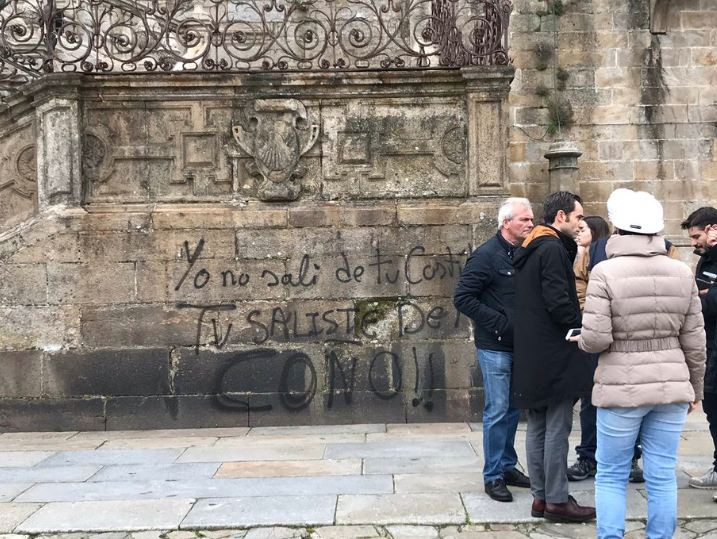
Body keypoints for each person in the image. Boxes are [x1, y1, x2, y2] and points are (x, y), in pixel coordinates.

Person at [577, 188, 705, 538]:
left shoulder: (604, 273)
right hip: (672, 384)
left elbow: (598, 339)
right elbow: (695, 341)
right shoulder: (681, 272)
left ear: (618, 230)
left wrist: (582, 339)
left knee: (612, 473)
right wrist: (696, 388)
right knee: (663, 473)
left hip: (621, 386)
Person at [511, 191, 595, 522]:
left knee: (538, 426)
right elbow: (560, 300)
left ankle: (540, 498)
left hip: (533, 351)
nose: (581, 224)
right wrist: (578, 328)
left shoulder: (531, 247)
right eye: (577, 218)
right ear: (560, 217)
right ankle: (557, 500)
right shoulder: (550, 248)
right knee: (557, 427)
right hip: (554, 351)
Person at [454, 197, 534, 502]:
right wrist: (499, 322)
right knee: (498, 409)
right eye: (524, 220)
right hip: (495, 346)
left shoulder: (524, 253)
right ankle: (493, 476)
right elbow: (463, 297)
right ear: (506, 223)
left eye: (530, 219)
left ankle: (508, 465)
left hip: (520, 345)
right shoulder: (486, 256)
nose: (529, 223)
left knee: (514, 409)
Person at [681, 207, 717, 491]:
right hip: (711, 347)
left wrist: (701, 298)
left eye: (696, 236)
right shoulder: (706, 259)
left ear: (712, 229)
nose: (693, 243)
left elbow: (705, 303)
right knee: (713, 412)